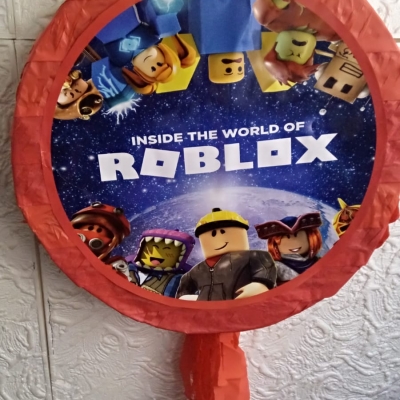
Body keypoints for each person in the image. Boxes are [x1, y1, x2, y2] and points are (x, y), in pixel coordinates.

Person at [176, 208, 276, 301]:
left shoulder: (254, 256)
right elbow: (184, 288)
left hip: (240, 306)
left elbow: (264, 269)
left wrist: (261, 284)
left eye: (223, 232)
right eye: (213, 234)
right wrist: (188, 298)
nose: (218, 239)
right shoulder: (197, 270)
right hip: (209, 310)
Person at [255, 212, 322, 284]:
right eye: (288, 237)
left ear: (310, 238)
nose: (294, 242)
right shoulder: (276, 267)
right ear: (276, 244)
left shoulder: (317, 261)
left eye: (297, 236)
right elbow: (262, 282)